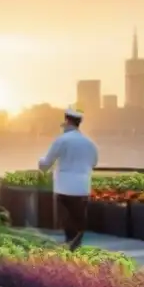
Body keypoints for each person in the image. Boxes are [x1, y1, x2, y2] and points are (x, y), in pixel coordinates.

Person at [38, 106, 98, 250]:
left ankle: (69, 249)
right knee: (79, 220)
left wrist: (40, 161)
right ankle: (75, 249)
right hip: (83, 187)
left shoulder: (62, 140)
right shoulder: (90, 143)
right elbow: (94, 163)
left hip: (64, 187)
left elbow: (45, 164)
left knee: (67, 221)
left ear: (67, 120)